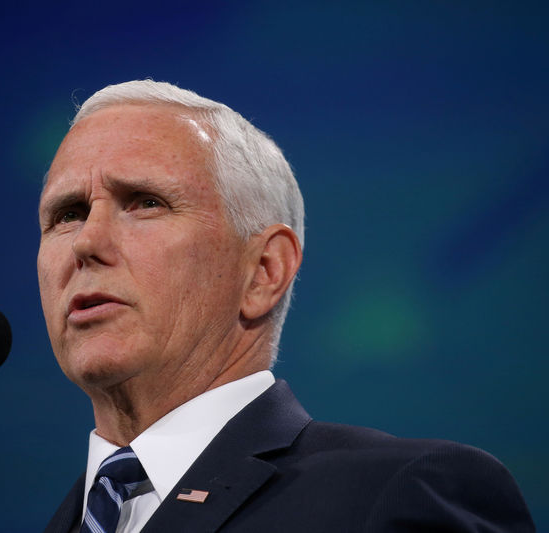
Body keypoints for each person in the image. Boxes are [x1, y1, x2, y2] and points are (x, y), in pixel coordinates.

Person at [38, 80, 534, 533]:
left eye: (145, 202)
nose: (87, 241)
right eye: (68, 213)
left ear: (264, 271)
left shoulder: (396, 494)